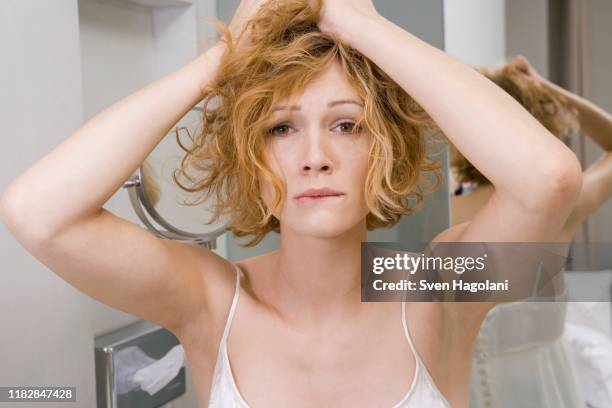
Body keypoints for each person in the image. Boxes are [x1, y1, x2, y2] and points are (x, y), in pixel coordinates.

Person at [0, 1, 583, 407]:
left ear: (383, 146)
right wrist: (220, 64)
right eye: (280, 129)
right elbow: (36, 212)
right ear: (249, 156)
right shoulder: (210, 303)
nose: (314, 156)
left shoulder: (435, 295)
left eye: (347, 125)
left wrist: (360, 23)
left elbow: (549, 177)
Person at [447, 56, 612, 407]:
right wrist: (547, 88)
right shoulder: (563, 207)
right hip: (547, 388)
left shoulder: (447, 214)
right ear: (544, 130)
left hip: (471, 391)